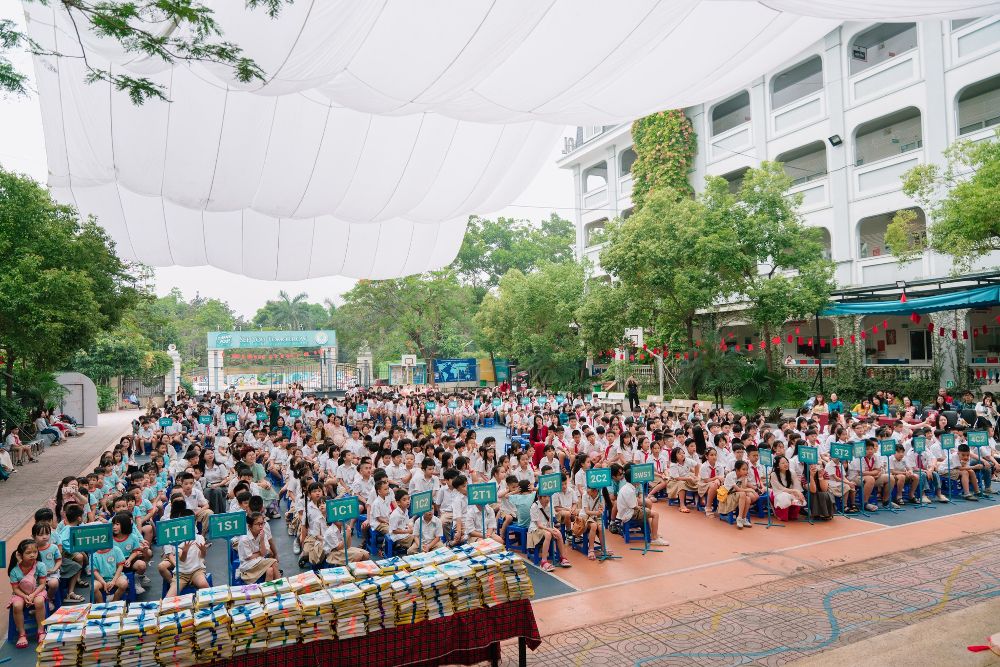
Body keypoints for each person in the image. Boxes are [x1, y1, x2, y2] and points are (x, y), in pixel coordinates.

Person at [612, 463, 668, 547]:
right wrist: (642, 509)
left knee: (648, 511)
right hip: (629, 514)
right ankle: (655, 538)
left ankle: (652, 532)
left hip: (626, 512)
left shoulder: (627, 487)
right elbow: (634, 507)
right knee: (655, 514)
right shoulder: (630, 491)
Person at [7, 539, 49, 648]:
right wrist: (25, 596)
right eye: (28, 553)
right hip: (20, 593)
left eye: (35, 552)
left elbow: (42, 584)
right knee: (17, 605)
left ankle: (41, 631)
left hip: (37, 591)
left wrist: (33, 595)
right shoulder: (14, 571)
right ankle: (22, 634)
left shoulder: (41, 566)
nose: (32, 555)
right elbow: (15, 589)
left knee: (39, 602)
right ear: (20, 555)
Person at [237, 512, 280, 582]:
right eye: (258, 524)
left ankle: (267, 591)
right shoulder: (244, 539)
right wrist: (259, 553)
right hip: (248, 566)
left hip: (259, 561)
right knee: (274, 562)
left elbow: (264, 553)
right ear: (250, 526)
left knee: (270, 570)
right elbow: (249, 557)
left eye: (262, 523)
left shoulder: (262, 534)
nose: (261, 526)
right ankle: (281, 584)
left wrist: (262, 540)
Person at [719, 460, 759, 528]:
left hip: (737, 495)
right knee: (743, 494)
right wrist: (751, 490)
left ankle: (743, 518)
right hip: (728, 497)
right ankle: (739, 518)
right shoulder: (730, 475)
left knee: (748, 499)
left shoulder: (742, 476)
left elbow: (743, 488)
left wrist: (744, 479)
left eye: (746, 469)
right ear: (737, 470)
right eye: (743, 469)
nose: (746, 471)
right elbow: (739, 490)